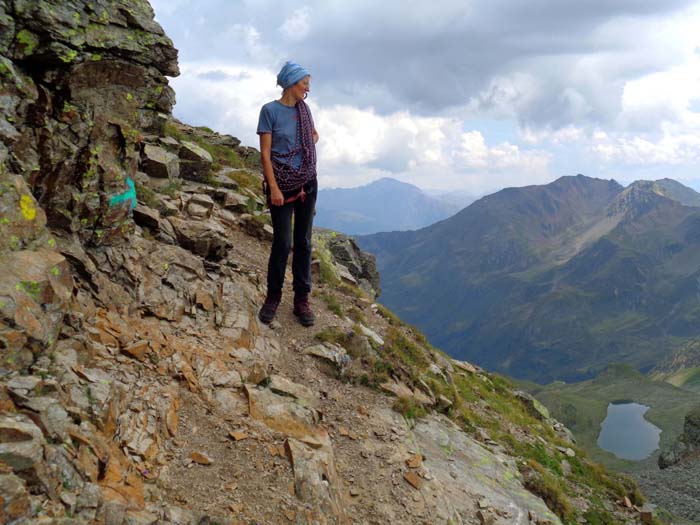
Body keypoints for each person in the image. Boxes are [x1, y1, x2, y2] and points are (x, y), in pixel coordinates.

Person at [256, 61, 319, 327]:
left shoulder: (305, 111)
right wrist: (274, 188)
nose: (307, 88)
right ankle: (273, 297)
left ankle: (301, 300)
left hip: (307, 182)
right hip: (280, 184)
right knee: (282, 243)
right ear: (291, 83)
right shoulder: (269, 111)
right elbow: (266, 155)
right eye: (304, 83)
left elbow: (314, 136)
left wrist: (302, 146)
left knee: (303, 242)